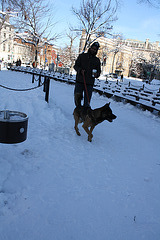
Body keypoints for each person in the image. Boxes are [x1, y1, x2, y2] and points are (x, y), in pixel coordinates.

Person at [74, 42, 101, 108]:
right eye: (93, 48)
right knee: (77, 99)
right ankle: (78, 113)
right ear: (90, 48)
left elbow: (99, 71)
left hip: (89, 83)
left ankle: (85, 115)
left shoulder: (97, 60)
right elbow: (75, 66)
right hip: (80, 81)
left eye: (95, 49)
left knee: (87, 102)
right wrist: (80, 70)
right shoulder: (82, 56)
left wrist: (96, 74)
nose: (93, 50)